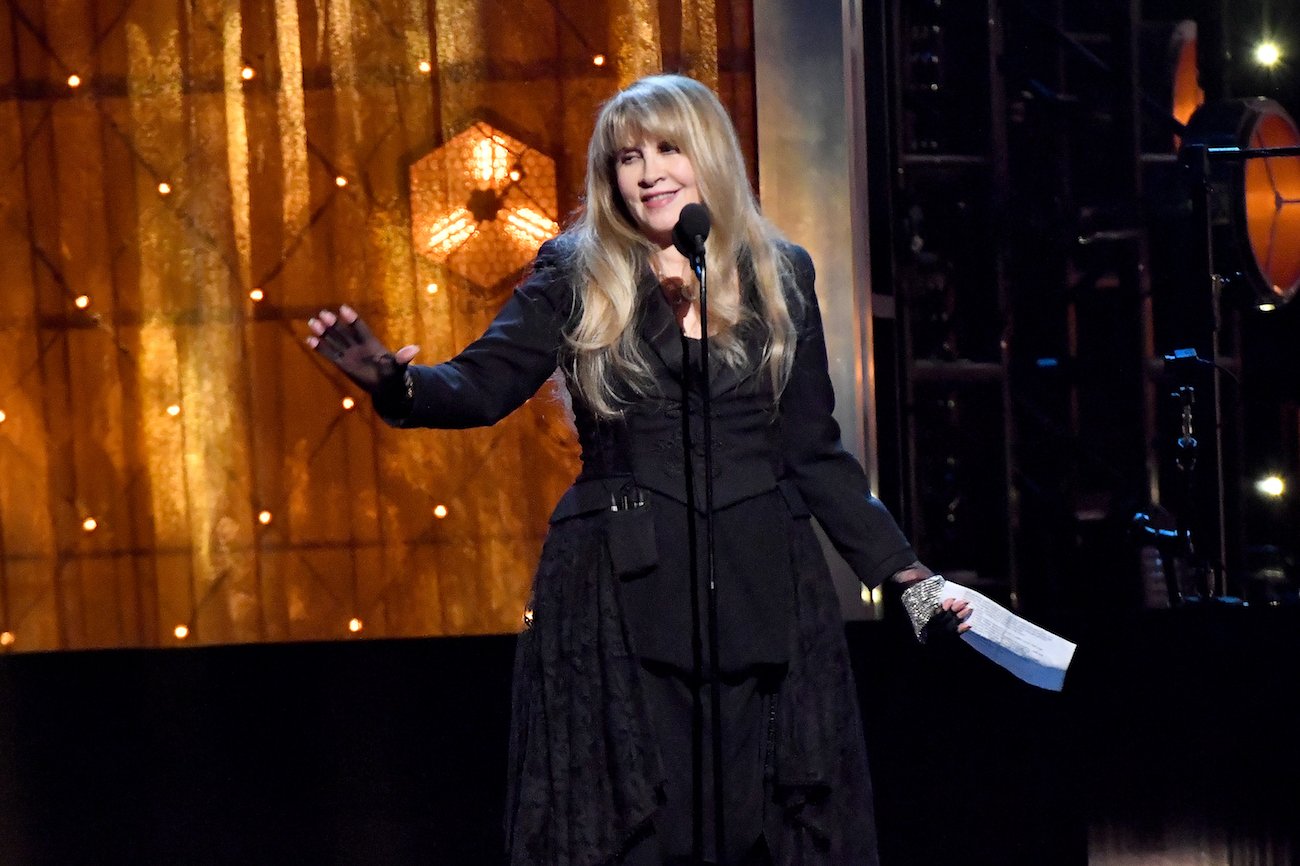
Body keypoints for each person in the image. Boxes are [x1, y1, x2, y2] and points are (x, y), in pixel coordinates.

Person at [308, 73, 969, 866]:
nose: (648, 172)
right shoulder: (575, 270)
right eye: (627, 158)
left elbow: (812, 451)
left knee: (762, 821)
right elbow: (481, 385)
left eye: (667, 149)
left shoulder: (779, 272)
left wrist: (907, 575)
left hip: (762, 584)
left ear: (708, 155)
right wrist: (398, 383)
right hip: (617, 594)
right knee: (636, 827)